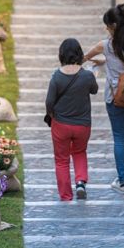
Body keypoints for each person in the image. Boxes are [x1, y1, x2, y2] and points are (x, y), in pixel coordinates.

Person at [83, 4, 124, 194]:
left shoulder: (106, 45)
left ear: (114, 26)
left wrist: (75, 65)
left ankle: (122, 182)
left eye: (107, 26)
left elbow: (85, 56)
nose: (106, 30)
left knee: (119, 137)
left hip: (116, 98)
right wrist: (105, 62)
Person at [46, 38, 99, 201]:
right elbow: (94, 90)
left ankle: (66, 195)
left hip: (61, 124)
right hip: (82, 125)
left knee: (61, 160)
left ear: (61, 54)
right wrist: (93, 74)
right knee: (79, 152)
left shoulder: (56, 76)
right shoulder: (87, 76)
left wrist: (51, 115)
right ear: (79, 54)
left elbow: (49, 102)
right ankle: (81, 181)